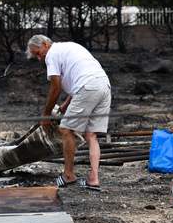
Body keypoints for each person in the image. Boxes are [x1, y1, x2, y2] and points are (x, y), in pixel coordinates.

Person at [26, 34, 111, 191]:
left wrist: (45, 116)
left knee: (65, 129)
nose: (39, 58)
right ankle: (94, 179)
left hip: (87, 87)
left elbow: (56, 87)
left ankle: (68, 175)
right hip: (104, 85)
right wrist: (64, 106)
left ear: (45, 44)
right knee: (91, 135)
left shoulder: (51, 55)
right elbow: (78, 79)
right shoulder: (69, 47)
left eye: (38, 53)